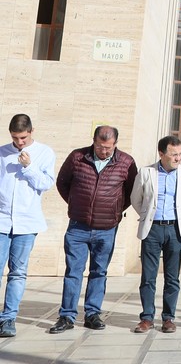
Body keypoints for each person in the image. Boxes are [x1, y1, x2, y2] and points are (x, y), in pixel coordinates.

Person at [49, 125, 138, 334]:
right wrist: (76, 204)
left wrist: (114, 210)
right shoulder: (77, 157)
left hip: (107, 228)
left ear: (115, 144)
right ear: (93, 141)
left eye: (108, 147)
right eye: (100, 146)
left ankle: (92, 314)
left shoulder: (126, 162)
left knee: (99, 272)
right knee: (73, 271)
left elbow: (132, 192)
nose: (104, 151)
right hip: (78, 227)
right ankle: (67, 315)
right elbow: (62, 183)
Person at [130, 135, 181, 333]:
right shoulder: (146, 173)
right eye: (173, 154)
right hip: (152, 229)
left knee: (172, 277)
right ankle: (147, 318)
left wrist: (180, 218)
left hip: (175, 229)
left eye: (180, 154)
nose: (178, 158)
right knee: (148, 277)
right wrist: (149, 216)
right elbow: (136, 199)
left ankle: (168, 318)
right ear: (161, 154)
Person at [0, 114, 56, 338]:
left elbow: (46, 184)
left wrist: (29, 166)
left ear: (32, 131)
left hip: (27, 222)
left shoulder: (45, 152)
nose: (19, 142)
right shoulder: (2, 152)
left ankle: (8, 318)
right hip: (2, 220)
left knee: (18, 272)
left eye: (23, 137)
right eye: (15, 137)